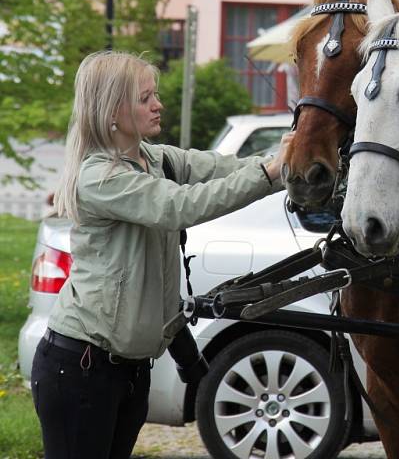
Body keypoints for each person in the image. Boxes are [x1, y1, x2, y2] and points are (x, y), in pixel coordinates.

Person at [31, 51, 292, 459]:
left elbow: (219, 168)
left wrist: (295, 159)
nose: (158, 105)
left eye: (155, 94)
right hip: (81, 369)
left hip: (129, 370)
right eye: (144, 98)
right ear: (111, 111)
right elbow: (180, 207)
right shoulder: (100, 177)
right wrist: (271, 174)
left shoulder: (155, 159)